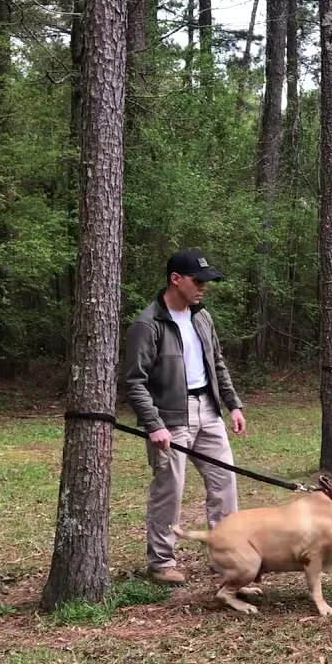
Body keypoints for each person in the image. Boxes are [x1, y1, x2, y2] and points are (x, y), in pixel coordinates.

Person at [123, 250, 248, 584]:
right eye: (197, 280)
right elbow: (134, 382)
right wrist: (155, 424)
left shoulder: (202, 317)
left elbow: (217, 363)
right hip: (170, 418)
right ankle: (161, 562)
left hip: (208, 410)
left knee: (225, 482)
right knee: (170, 488)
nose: (203, 288)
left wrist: (232, 404)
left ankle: (225, 555)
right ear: (175, 279)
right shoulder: (147, 324)